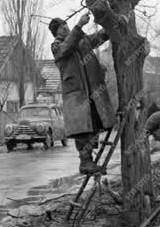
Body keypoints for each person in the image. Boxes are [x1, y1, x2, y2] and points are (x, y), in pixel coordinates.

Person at [49, 13, 116, 175]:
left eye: (66, 24)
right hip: (76, 95)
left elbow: (98, 37)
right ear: (56, 33)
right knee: (82, 130)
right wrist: (79, 26)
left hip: (91, 93)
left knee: (93, 124)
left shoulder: (80, 40)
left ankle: (89, 163)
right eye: (61, 26)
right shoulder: (57, 46)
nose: (66, 27)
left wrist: (111, 24)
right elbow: (66, 48)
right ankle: (85, 163)